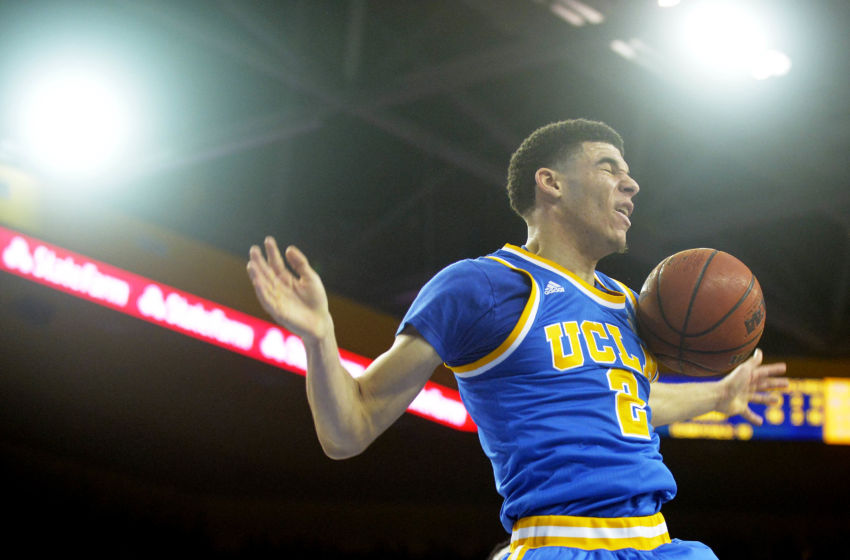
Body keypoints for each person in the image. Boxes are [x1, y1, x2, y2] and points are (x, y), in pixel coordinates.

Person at [247, 119, 788, 559]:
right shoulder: (483, 285)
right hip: (559, 544)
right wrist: (320, 340)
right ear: (550, 182)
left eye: (630, 174)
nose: (632, 184)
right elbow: (352, 427)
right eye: (609, 168)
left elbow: (627, 403)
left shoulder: (629, 305)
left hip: (659, 544)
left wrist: (720, 395)